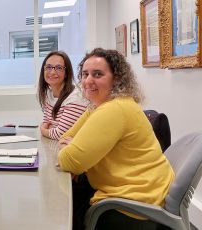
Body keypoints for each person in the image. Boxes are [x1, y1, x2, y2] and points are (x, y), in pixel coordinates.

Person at [57, 48, 174, 230]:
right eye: (85, 74)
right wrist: (76, 148)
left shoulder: (114, 109)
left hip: (131, 206)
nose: (88, 81)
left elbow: (70, 161)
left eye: (98, 74)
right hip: (144, 194)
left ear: (117, 78)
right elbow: (66, 137)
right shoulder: (99, 106)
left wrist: (77, 151)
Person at [37, 51, 88, 140]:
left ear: (66, 73)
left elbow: (60, 134)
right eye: (48, 67)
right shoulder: (48, 93)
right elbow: (46, 123)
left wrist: (43, 130)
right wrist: (49, 129)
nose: (52, 72)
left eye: (59, 68)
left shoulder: (76, 97)